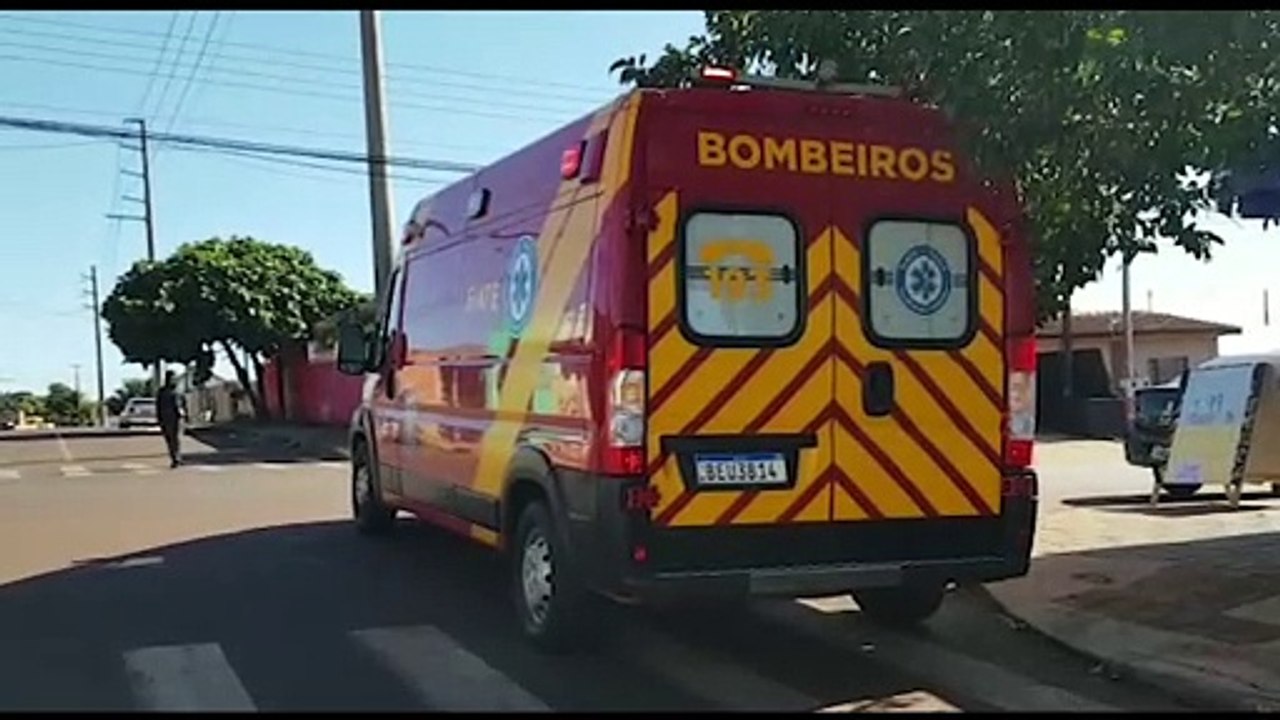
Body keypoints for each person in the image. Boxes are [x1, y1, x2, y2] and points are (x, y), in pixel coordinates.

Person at [155, 370, 186, 468]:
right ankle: (175, 458)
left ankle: (177, 457)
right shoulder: (163, 392)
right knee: (171, 439)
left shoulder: (177, 390)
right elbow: (158, 406)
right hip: (169, 418)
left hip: (176, 417)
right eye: (173, 378)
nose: (174, 380)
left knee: (176, 439)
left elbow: (182, 403)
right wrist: (159, 418)